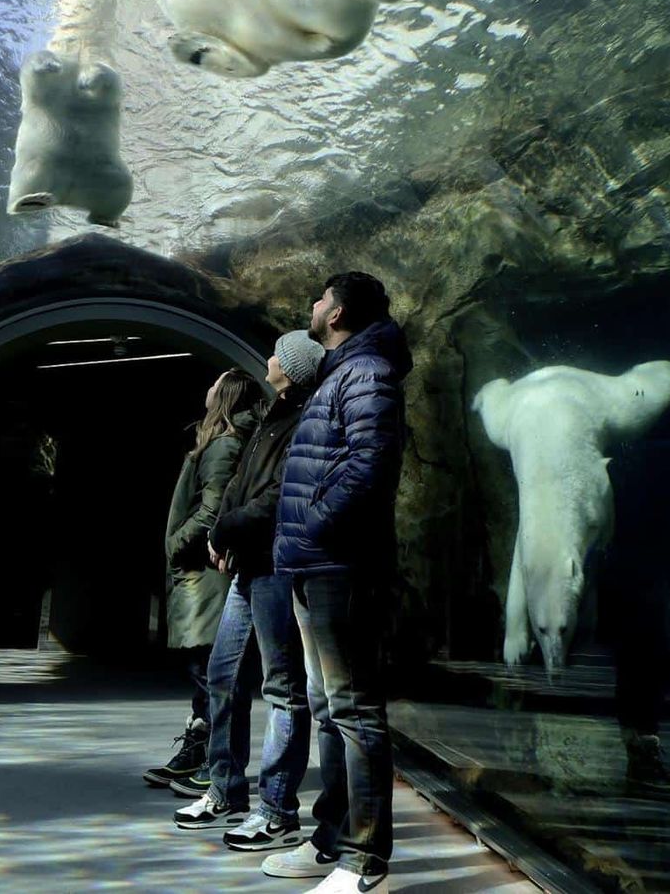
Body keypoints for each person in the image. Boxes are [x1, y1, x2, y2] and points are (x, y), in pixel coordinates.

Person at [264, 273, 412, 894]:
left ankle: (364, 859)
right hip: (312, 562)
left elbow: (369, 462)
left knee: (354, 711)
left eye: (320, 300)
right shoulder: (341, 372)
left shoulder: (368, 371)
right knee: (329, 706)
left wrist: (317, 524)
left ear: (340, 310)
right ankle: (331, 839)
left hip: (338, 565)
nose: (313, 309)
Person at [172, 329, 325, 848]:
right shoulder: (274, 415)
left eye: (277, 354)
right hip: (247, 563)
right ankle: (224, 788)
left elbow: (283, 495)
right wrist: (223, 531)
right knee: (222, 676)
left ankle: (279, 809)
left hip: (276, 566)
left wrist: (227, 528)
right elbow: (241, 486)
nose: (267, 359)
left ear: (292, 367)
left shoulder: (303, 419)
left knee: (282, 688)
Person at [143, 367, 259, 790]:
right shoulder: (223, 441)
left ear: (225, 394)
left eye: (215, 383)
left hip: (204, 577)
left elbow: (212, 511)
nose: (207, 388)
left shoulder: (223, 444)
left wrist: (176, 543)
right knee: (208, 671)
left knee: (210, 671)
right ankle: (199, 752)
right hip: (202, 575)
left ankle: (216, 763)